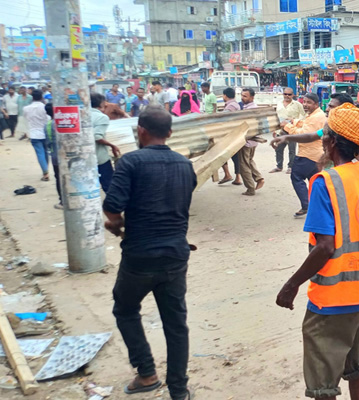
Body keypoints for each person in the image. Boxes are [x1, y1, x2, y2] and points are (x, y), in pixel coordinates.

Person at [275, 102, 359, 400]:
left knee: (323, 377)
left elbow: (324, 246)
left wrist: (291, 285)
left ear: (332, 142)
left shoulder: (324, 182)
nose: (322, 140)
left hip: (332, 297)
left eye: (324, 136)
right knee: (356, 361)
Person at [103, 106, 195, 400]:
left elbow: (112, 207)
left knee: (125, 308)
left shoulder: (130, 163)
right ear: (169, 132)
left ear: (140, 130)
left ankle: (146, 373)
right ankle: (179, 390)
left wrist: (116, 225)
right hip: (175, 255)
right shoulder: (184, 165)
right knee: (176, 323)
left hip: (140, 256)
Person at [283, 93, 327, 218]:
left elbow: (304, 134)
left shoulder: (316, 117)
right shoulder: (316, 115)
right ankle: (318, 206)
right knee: (314, 181)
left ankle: (306, 204)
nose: (305, 105)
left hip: (308, 154)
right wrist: (295, 121)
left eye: (308, 103)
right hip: (316, 154)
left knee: (296, 176)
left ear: (316, 104)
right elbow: (305, 124)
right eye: (304, 102)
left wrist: (287, 126)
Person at [237, 88, 264, 196]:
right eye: (242, 95)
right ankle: (259, 178)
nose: (242, 98)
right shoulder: (251, 107)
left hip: (247, 141)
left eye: (245, 96)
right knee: (249, 160)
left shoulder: (249, 110)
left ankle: (250, 188)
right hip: (253, 141)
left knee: (244, 165)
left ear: (252, 97)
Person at [91, 93, 121, 192]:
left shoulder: (82, 114)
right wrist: (112, 145)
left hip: (86, 157)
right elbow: (97, 136)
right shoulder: (102, 117)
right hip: (100, 158)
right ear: (101, 104)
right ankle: (114, 205)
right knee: (109, 185)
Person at [272, 87, 305, 174]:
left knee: (292, 150)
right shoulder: (279, 104)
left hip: (292, 130)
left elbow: (304, 115)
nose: (287, 96)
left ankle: (291, 167)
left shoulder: (297, 104)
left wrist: (293, 120)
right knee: (278, 148)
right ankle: (279, 166)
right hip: (281, 130)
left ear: (293, 95)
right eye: (285, 94)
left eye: (289, 94)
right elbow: (276, 117)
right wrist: (274, 130)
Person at [23, 89, 51, 181]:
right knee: (46, 152)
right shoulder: (44, 107)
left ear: (32, 97)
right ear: (41, 96)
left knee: (40, 153)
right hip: (45, 132)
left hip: (34, 133)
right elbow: (48, 118)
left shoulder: (26, 108)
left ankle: (45, 172)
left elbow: (27, 119)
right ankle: (46, 170)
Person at [218, 87, 243, 185]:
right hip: (234, 133)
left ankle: (229, 174)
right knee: (235, 156)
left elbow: (223, 118)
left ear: (225, 95)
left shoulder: (231, 106)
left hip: (230, 134)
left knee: (221, 154)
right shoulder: (235, 104)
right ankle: (235, 176)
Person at [45, 103, 63, 209]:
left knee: (58, 178)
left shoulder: (48, 125)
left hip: (55, 156)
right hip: (69, 156)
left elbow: (47, 143)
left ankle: (62, 201)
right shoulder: (66, 122)